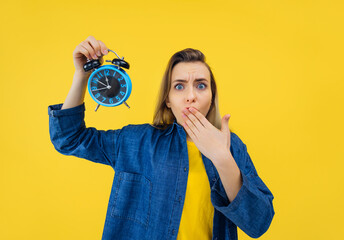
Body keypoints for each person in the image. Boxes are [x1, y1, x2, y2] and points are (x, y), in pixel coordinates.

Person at [48, 36, 275, 240]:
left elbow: (258, 224)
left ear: (211, 95)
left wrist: (223, 159)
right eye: (179, 87)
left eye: (201, 86)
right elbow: (69, 139)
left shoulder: (232, 148)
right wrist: (82, 75)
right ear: (167, 99)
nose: (191, 97)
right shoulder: (136, 141)